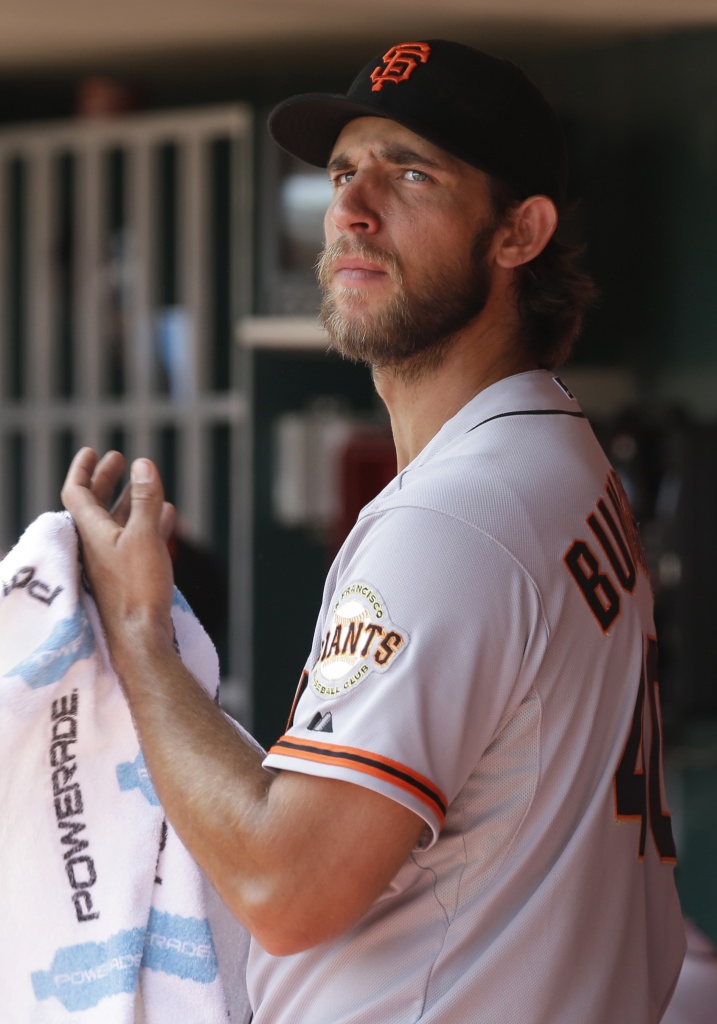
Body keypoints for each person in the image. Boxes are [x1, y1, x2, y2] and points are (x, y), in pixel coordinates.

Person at [62, 39, 686, 1023]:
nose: (351, 208)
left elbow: (287, 887)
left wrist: (140, 632)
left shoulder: (456, 518)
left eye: (411, 173)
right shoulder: (560, 459)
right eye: (344, 172)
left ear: (519, 232)